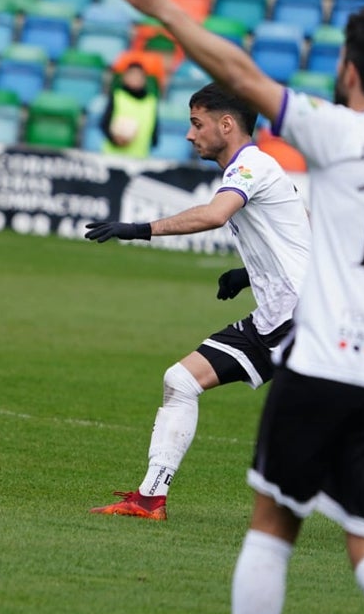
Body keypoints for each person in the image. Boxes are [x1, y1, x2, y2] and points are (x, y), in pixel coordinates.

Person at [111, 0, 364, 614]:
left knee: (273, 530)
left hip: (319, 346)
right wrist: (251, 276)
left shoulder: (333, 131)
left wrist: (165, 11)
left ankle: (157, 503)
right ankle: (150, 496)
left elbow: (242, 77)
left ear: (350, 73)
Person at [85, 83, 311, 520]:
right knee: (181, 380)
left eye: (196, 123)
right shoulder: (259, 169)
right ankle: (150, 499)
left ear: (226, 125)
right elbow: (303, 234)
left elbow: (213, 214)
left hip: (299, 319)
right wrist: (250, 274)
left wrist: (139, 229)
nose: (191, 135)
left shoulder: (251, 166)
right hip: (276, 316)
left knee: (321, 434)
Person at [100, 62, 159, 158]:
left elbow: (155, 133)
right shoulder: (117, 97)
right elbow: (104, 124)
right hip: (112, 157)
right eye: (132, 74)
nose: (135, 78)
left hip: (139, 159)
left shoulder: (151, 102)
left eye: (139, 75)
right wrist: (115, 139)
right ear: (124, 77)